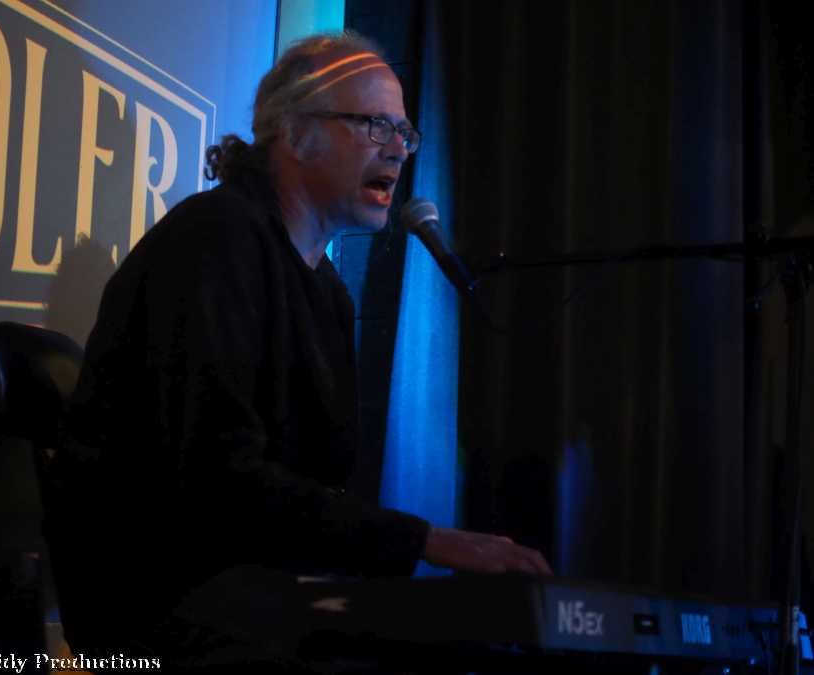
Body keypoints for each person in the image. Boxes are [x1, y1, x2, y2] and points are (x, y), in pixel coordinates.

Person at [51, 31, 551, 671]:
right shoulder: (214, 240)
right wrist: (423, 541)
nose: (398, 149)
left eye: (404, 132)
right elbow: (216, 481)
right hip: (159, 603)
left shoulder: (327, 290)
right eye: (374, 125)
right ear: (294, 134)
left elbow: (316, 488)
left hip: (261, 593)